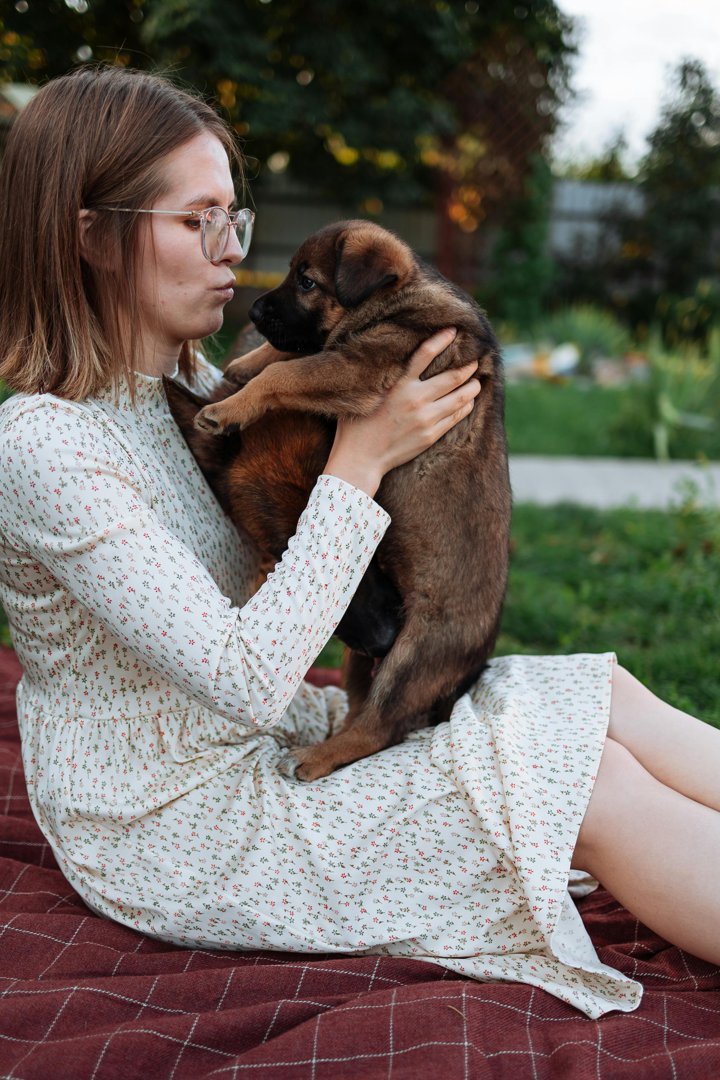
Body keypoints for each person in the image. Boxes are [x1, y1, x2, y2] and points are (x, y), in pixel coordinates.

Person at [0, 66, 718, 1022]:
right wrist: (363, 459)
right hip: (179, 830)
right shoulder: (47, 443)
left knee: (596, 694)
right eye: (196, 221)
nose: (229, 252)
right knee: (586, 781)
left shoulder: (195, 386)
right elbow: (247, 673)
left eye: (234, 221)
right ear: (90, 234)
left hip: (257, 744)